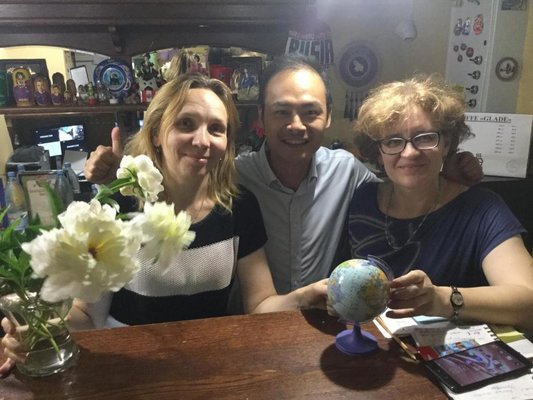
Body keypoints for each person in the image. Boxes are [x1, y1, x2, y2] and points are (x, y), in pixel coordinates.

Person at [1, 73, 327, 376]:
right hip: (128, 368)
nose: (202, 140)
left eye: (217, 128)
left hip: (210, 366)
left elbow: (260, 305)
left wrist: (305, 296)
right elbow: (87, 315)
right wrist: (37, 330)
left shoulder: (240, 206)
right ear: (157, 133)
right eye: (186, 123)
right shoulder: (120, 205)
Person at [83, 55, 481, 296]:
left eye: (310, 112)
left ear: (327, 117)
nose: (296, 125)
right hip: (247, 322)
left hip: (325, 320)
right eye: (282, 112)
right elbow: (177, 176)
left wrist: (447, 169)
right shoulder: (233, 177)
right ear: (261, 118)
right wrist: (118, 176)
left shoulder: (348, 172)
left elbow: (402, 182)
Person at [348, 74, 533, 330]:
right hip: (371, 345)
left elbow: (528, 301)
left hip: (450, 350)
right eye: (393, 141)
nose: (409, 152)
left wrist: (443, 299)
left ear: (446, 143)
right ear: (379, 153)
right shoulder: (362, 200)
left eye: (425, 137)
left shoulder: (482, 209)